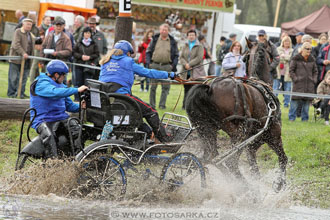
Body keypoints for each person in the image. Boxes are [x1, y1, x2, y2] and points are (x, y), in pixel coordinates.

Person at [99, 40, 178, 143]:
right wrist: (169, 74)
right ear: (128, 53)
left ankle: (149, 134)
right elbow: (148, 73)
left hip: (107, 98)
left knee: (137, 114)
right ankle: (164, 139)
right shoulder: (128, 61)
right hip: (122, 98)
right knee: (151, 112)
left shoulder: (106, 61)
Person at [30, 60, 88, 158]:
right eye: (63, 75)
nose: (64, 78)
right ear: (56, 75)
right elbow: (54, 92)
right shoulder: (41, 83)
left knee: (78, 131)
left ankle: (78, 158)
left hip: (60, 118)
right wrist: (76, 90)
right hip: (43, 120)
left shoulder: (61, 86)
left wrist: (81, 107)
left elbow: (69, 106)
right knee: (49, 137)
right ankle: (52, 164)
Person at [146, 23, 179, 109]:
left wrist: (173, 66)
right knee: (153, 87)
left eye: (166, 30)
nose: (164, 31)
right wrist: (149, 63)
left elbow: (176, 55)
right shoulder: (155, 39)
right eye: (162, 30)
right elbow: (148, 51)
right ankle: (152, 105)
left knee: (165, 87)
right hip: (155, 65)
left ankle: (162, 105)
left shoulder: (172, 41)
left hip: (167, 66)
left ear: (168, 31)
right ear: (160, 30)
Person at [289, 42, 318, 122]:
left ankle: (305, 119)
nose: (309, 50)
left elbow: (315, 71)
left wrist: (314, 80)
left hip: (309, 85)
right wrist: (295, 79)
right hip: (298, 84)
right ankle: (292, 118)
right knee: (294, 102)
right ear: (302, 49)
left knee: (306, 104)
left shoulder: (312, 59)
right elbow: (291, 70)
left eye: (310, 49)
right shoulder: (296, 58)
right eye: (307, 49)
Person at [8, 18, 34, 99]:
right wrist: (23, 53)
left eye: (30, 25)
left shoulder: (30, 34)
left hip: (27, 60)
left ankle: (21, 93)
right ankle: (12, 93)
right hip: (16, 59)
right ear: (23, 24)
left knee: (24, 78)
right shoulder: (18, 31)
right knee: (13, 77)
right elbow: (16, 44)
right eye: (28, 24)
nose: (29, 26)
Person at [179, 29, 206, 109]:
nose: (191, 37)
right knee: (186, 89)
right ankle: (184, 106)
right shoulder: (185, 45)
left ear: (195, 36)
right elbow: (181, 57)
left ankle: (193, 106)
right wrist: (185, 64)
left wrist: (189, 64)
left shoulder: (200, 46)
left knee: (193, 90)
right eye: (189, 35)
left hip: (195, 72)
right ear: (187, 36)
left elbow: (199, 57)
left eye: (192, 35)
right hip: (186, 71)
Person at [73, 27, 99, 101]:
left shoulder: (94, 44)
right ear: (83, 34)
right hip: (79, 65)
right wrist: (81, 56)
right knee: (78, 82)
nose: (87, 34)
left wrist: (89, 57)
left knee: (87, 83)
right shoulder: (79, 43)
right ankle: (77, 99)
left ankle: (86, 99)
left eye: (88, 33)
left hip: (89, 66)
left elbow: (97, 54)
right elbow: (74, 53)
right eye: (86, 33)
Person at [274, 36, 294, 108]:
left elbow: (291, 59)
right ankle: (274, 102)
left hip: (288, 72)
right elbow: (278, 58)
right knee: (275, 88)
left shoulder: (292, 50)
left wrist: (283, 56)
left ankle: (286, 104)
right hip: (278, 71)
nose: (287, 43)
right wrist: (286, 57)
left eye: (288, 41)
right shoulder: (278, 49)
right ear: (283, 42)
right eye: (285, 41)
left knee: (287, 89)